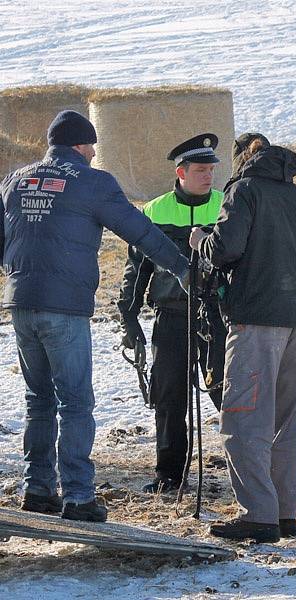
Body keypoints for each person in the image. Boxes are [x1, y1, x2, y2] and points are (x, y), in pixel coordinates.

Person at [0, 110, 190, 522]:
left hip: (20, 303)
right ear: (83, 146)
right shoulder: (92, 182)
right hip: (64, 308)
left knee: (38, 400)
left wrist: (18, 277)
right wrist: (181, 266)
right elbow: (139, 231)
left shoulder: (16, 181)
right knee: (75, 402)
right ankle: (79, 496)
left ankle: (37, 490)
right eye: (92, 146)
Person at [189, 133, 296, 543]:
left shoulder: (243, 190)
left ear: (241, 160)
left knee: (244, 418)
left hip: (255, 320)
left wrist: (201, 241)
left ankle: (258, 515)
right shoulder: (295, 195)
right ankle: (284, 514)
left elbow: (226, 248)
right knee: (285, 422)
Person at [117, 133, 227, 494]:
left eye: (211, 169)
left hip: (217, 316)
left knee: (227, 393)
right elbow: (137, 270)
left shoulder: (228, 206)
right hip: (171, 317)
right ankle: (169, 475)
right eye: (200, 169)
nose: (209, 175)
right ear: (181, 172)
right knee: (168, 398)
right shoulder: (154, 210)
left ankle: (248, 470)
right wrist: (128, 316)